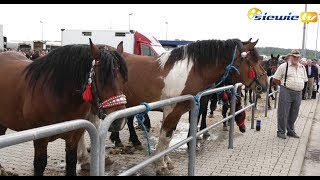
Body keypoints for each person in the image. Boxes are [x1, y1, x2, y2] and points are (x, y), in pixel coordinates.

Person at [272, 49, 308, 139]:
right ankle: (281, 131)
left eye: (297, 57)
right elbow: (275, 79)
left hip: (298, 93)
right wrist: (283, 84)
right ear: (290, 56)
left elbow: (305, 79)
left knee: (294, 113)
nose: (296, 58)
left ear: (300, 58)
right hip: (286, 91)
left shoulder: (302, 67)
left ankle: (290, 131)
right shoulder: (284, 66)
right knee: (283, 112)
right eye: (294, 56)